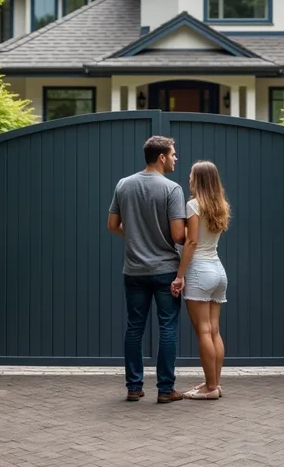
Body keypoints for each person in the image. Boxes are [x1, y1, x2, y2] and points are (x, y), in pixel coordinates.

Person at [107, 135, 186, 404]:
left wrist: (135, 237)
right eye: (173, 154)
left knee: (134, 328)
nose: (176, 158)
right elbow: (178, 235)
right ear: (161, 157)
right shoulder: (172, 189)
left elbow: (112, 225)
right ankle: (165, 389)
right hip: (165, 269)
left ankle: (133, 387)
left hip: (134, 270)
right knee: (168, 328)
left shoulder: (123, 185)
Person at [171, 161, 229, 400]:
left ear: (199, 180)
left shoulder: (193, 205)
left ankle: (210, 388)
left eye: (191, 176)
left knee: (204, 332)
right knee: (214, 330)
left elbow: (192, 242)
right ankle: (214, 383)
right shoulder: (221, 206)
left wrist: (180, 275)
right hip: (218, 271)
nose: (189, 179)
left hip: (199, 271)